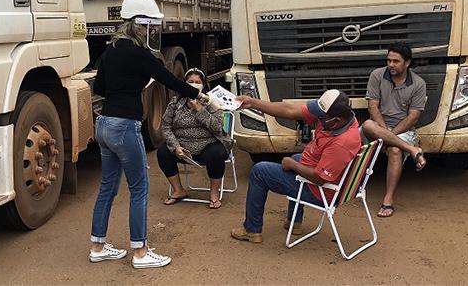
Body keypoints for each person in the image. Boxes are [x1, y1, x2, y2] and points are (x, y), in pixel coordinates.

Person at [88, 0, 211, 269]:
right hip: (124, 126)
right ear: (140, 25)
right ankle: (141, 252)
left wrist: (126, 84)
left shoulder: (110, 51)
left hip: (105, 125)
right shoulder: (140, 54)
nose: (152, 30)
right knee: (139, 188)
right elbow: (169, 79)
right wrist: (198, 94)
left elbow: (100, 89)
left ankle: (98, 245)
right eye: (150, 26)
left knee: (108, 187)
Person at [230, 89, 423, 243]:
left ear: (335, 120)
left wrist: (292, 165)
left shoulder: (341, 142)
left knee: (260, 171)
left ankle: (251, 230)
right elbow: (290, 111)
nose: (316, 119)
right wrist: (253, 102)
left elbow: (320, 178)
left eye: (321, 117)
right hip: (332, 179)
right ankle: (294, 222)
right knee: (299, 157)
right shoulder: (343, 119)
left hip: (322, 193)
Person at [366, 42, 428, 218]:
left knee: (394, 150)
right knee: (367, 125)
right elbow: (373, 107)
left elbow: (413, 117)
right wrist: (384, 131)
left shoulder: (418, 83)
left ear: (407, 63)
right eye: (388, 60)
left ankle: (388, 200)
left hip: (403, 130)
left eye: (396, 61)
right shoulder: (377, 75)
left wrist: (389, 137)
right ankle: (413, 150)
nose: (391, 65)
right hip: (379, 125)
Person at [157, 68, 232, 209]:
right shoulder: (175, 103)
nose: (194, 84)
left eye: (198, 82)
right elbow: (166, 127)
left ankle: (214, 194)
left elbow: (218, 128)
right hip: (183, 147)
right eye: (190, 82)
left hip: (207, 145)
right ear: (184, 84)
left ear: (203, 85)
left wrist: (199, 110)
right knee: (163, 152)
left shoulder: (211, 102)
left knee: (216, 153)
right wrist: (176, 146)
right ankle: (178, 190)